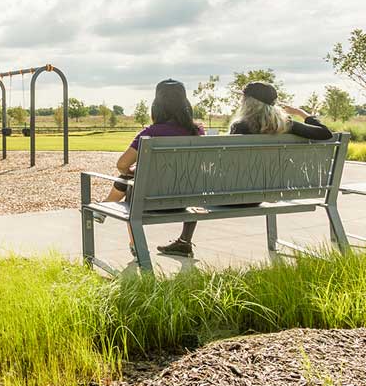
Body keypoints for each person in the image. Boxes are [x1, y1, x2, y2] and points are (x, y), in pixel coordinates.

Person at [157, 81, 333, 256]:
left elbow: (226, 163)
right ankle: (183, 242)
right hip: (268, 193)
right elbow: (325, 133)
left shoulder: (240, 126)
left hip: (235, 195)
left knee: (195, 176)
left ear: (248, 101)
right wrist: (302, 113)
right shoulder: (286, 124)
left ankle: (184, 241)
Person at [100, 79, 204, 258]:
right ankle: (185, 242)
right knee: (188, 181)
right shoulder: (197, 132)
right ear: (185, 104)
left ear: (157, 106)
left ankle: (134, 243)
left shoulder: (150, 133)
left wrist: (133, 173)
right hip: (187, 199)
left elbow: (122, 164)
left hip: (150, 201)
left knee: (129, 182)